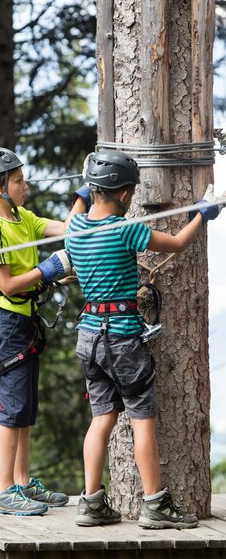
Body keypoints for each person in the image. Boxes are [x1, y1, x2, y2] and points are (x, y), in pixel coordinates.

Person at [65, 149, 225, 529]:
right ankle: (154, 503)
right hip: (122, 336)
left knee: (101, 417)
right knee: (141, 420)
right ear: (123, 194)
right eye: (132, 192)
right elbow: (177, 243)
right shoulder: (126, 229)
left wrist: (85, 191)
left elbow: (77, 209)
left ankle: (91, 502)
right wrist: (203, 212)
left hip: (88, 334)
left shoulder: (74, 229)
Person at [0, 146, 86, 516]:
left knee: (26, 408)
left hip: (25, 321)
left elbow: (67, 229)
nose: (25, 185)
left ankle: (20, 482)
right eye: (18, 180)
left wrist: (86, 192)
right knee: (12, 407)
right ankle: (3, 490)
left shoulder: (23, 219)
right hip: (5, 321)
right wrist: (47, 270)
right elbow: (6, 284)